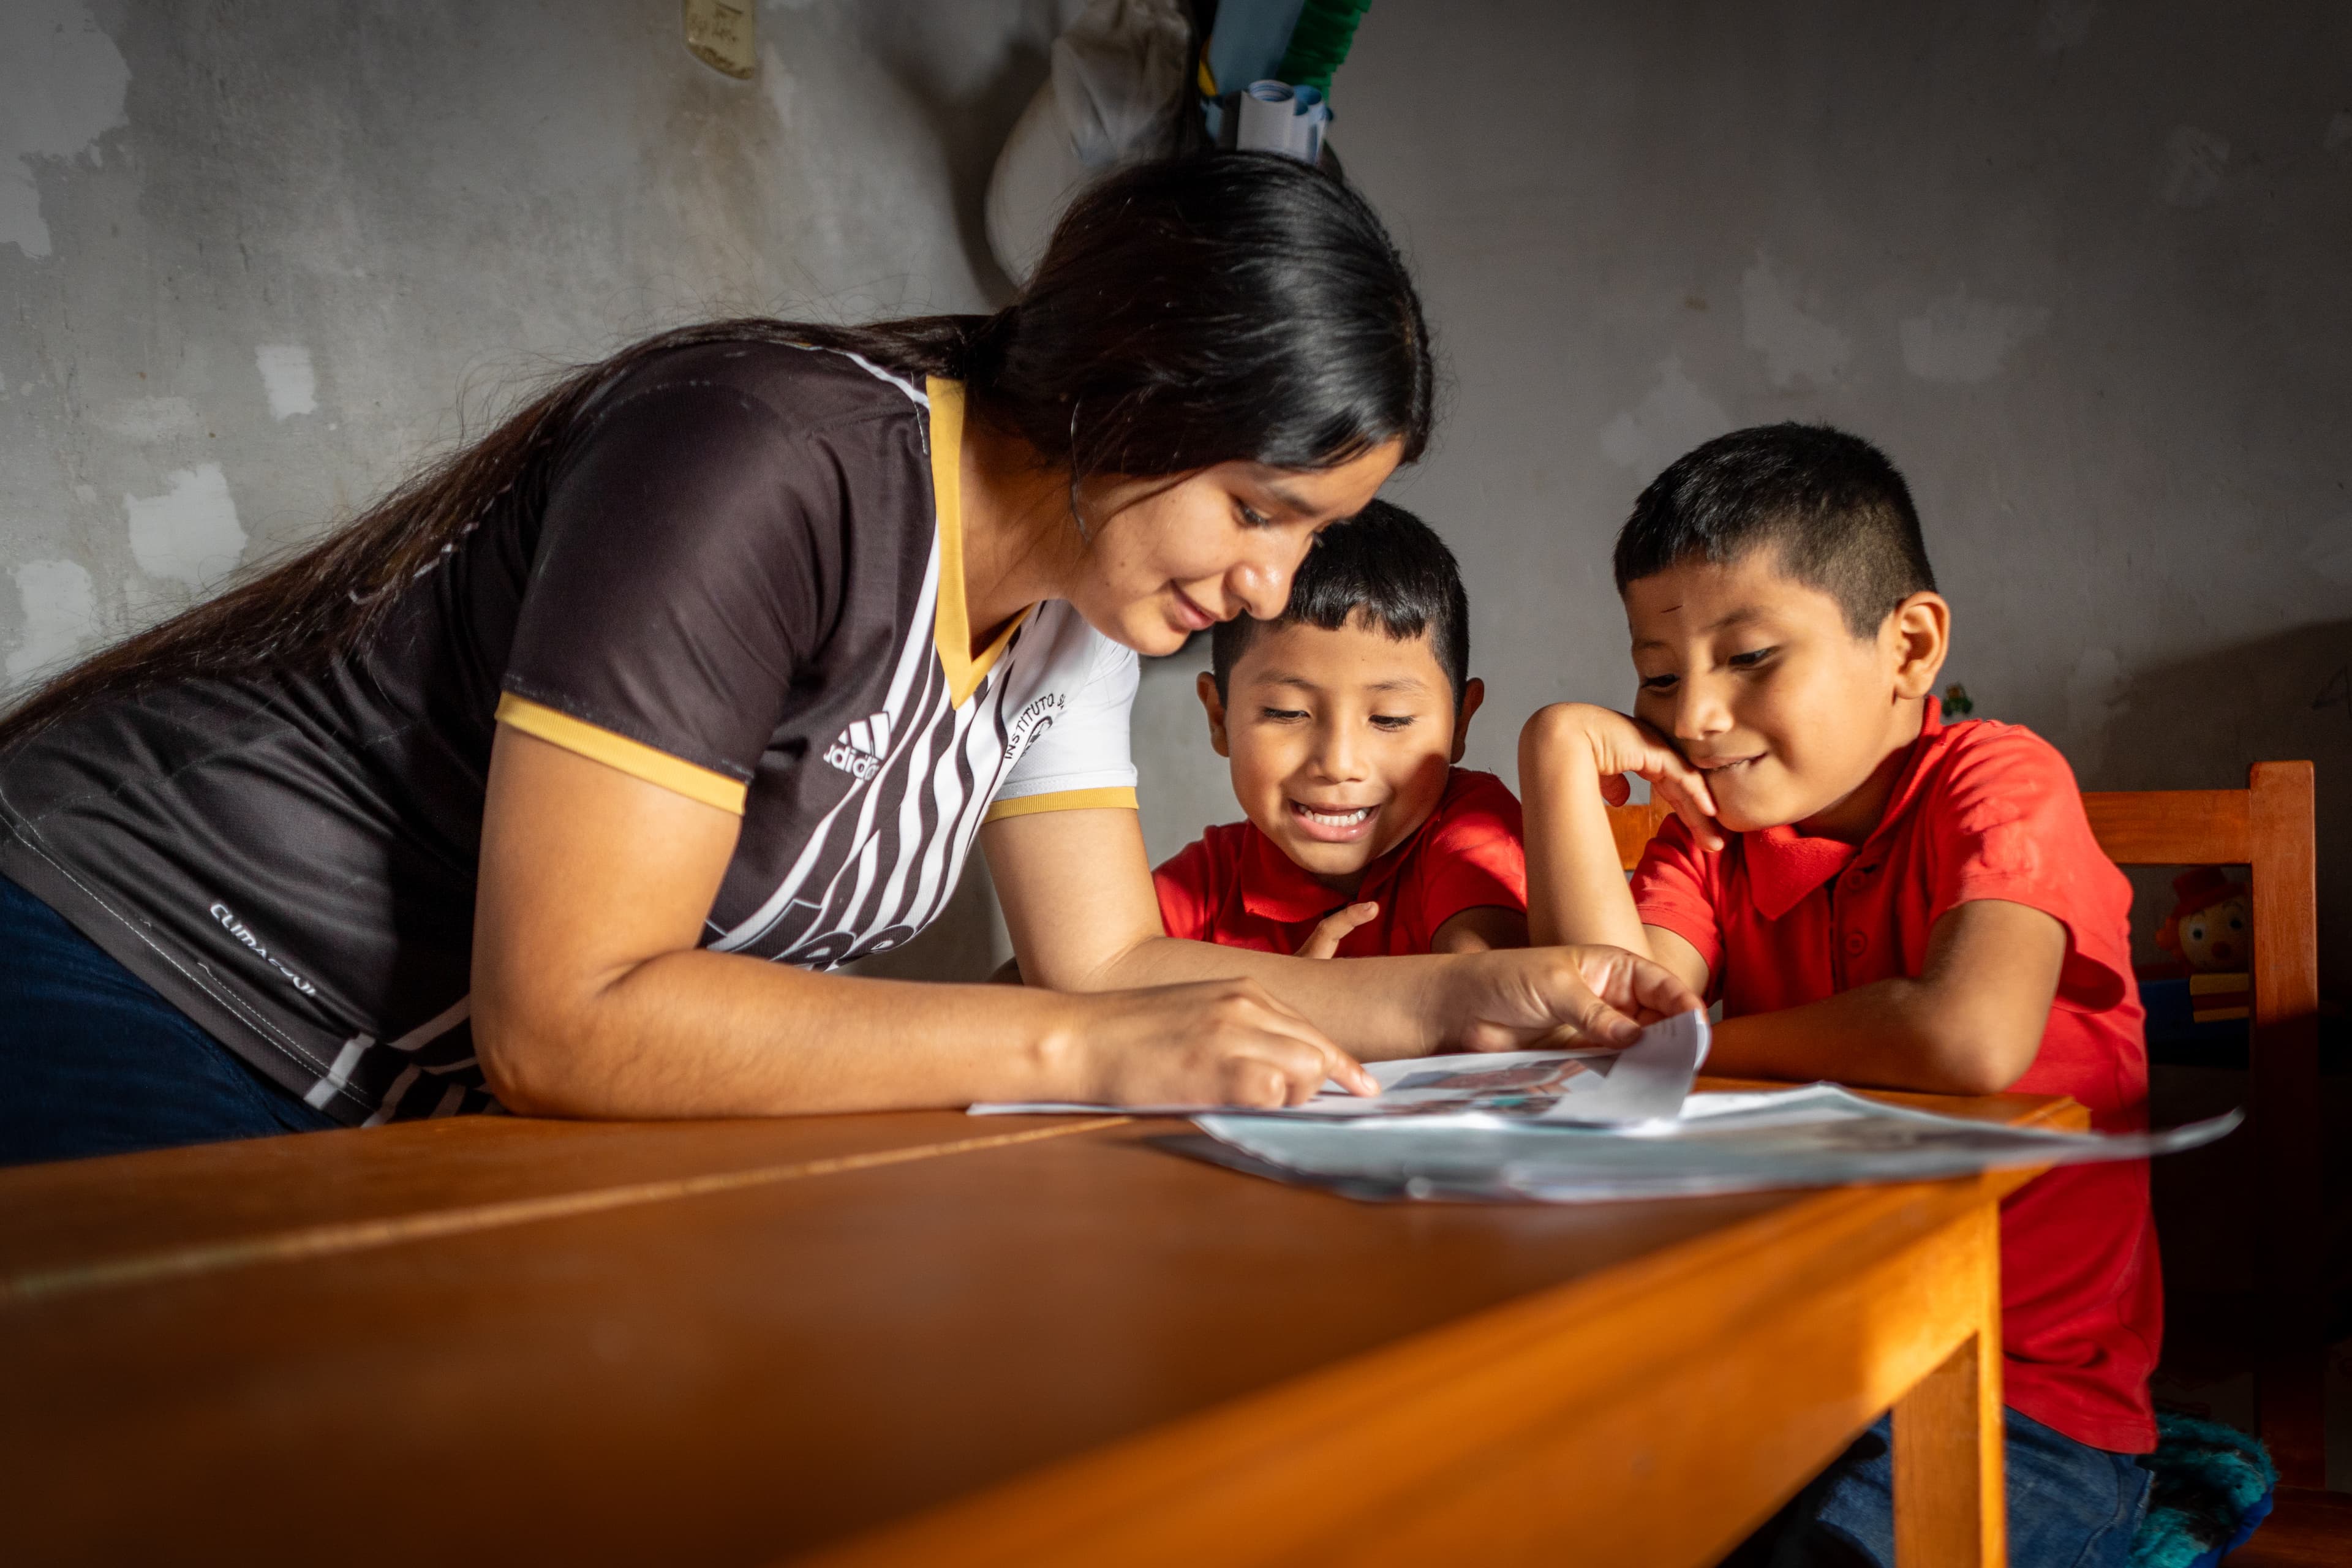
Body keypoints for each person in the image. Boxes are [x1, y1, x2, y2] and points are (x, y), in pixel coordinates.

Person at [0, 153, 1698, 1166]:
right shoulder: (760, 457)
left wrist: (1480, 1000)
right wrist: (1078, 1058)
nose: (1264, 587)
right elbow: (571, 1019)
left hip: (373, 1074)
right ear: (1127, 397)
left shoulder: (1079, 608)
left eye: (1310, 539)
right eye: (1258, 509)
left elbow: (1108, 966)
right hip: (129, 952)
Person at [1517, 423, 2155, 1566]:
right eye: (1659, 675)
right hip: (1777, 1386)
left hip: (2022, 1413)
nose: (1694, 716)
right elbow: (1608, 1019)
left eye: (1751, 656)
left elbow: (1968, 1035)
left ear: (1909, 646)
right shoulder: (1709, 845)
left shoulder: (1998, 780)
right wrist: (1558, 753)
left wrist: (1703, 1047)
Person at [1155, 500, 1528, 960]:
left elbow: (1486, 996)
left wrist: (1306, 1003)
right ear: (1219, 717)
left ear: (1460, 722)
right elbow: (1084, 1001)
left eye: (1389, 719)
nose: (1338, 763)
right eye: (1287, 713)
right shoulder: (1204, 886)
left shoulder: (1471, 825)